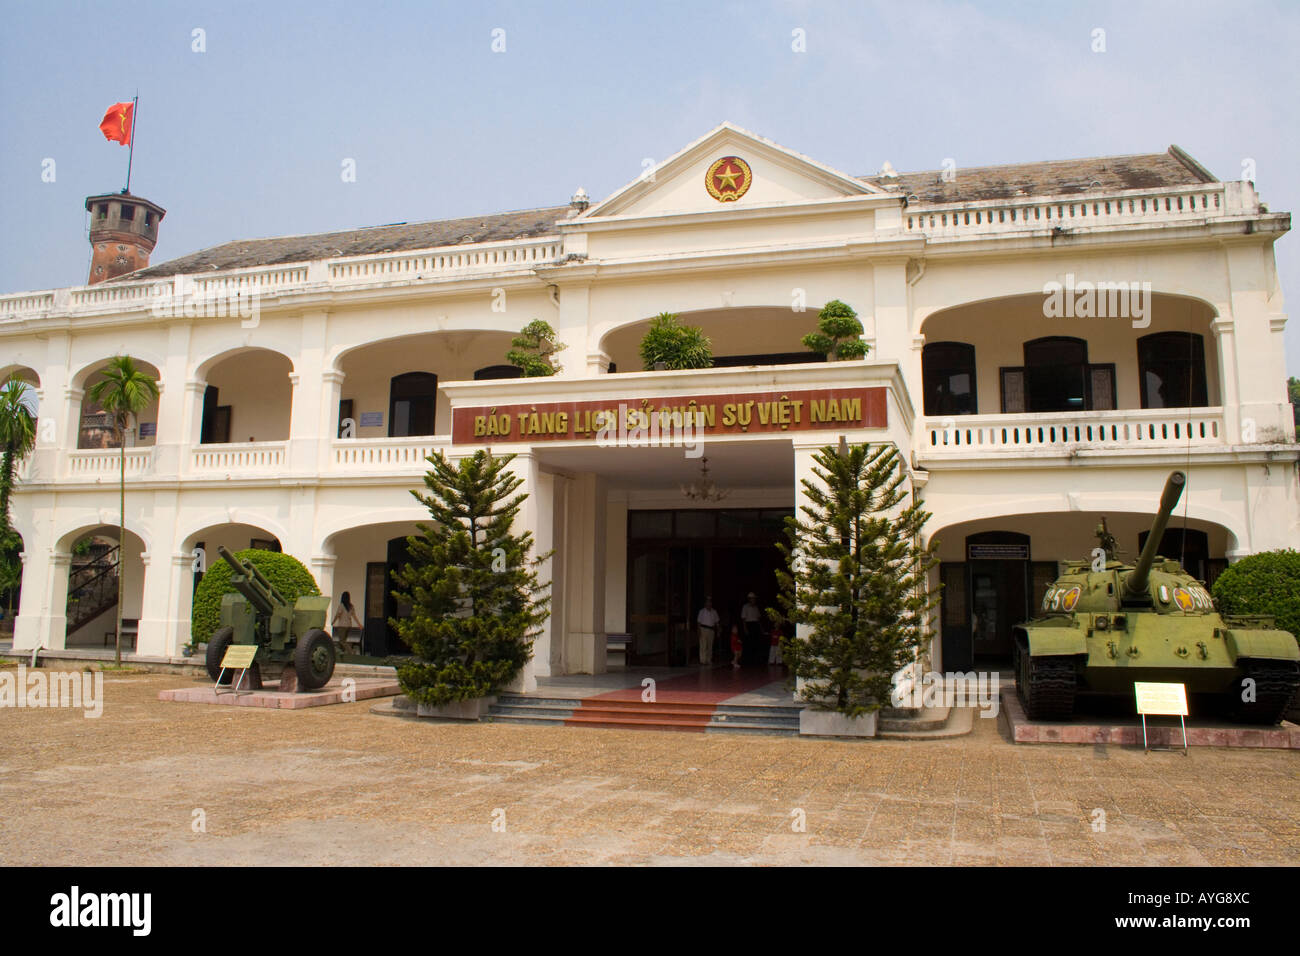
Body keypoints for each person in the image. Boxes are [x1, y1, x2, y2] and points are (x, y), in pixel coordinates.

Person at [696, 596, 720, 665]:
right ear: (705, 603)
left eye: (710, 602)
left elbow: (717, 622)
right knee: (703, 645)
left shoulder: (714, 612)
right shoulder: (702, 611)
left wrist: (718, 630)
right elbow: (698, 622)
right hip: (703, 629)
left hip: (711, 630)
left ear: (711, 603)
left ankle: (709, 660)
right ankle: (702, 660)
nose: (709, 603)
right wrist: (698, 630)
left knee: (710, 646)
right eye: (707, 602)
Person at [741, 591, 762, 659]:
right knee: (748, 642)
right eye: (752, 598)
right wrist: (745, 628)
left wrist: (760, 628)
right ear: (749, 599)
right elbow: (743, 619)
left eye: (754, 598)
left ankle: (754, 657)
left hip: (755, 625)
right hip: (748, 625)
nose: (753, 600)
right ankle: (748, 658)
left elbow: (758, 619)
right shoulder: (745, 607)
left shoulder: (756, 607)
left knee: (755, 642)